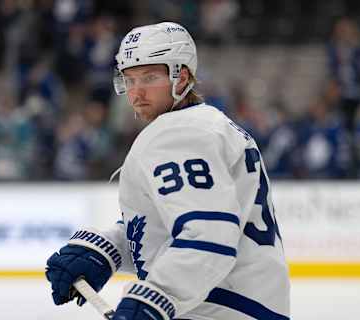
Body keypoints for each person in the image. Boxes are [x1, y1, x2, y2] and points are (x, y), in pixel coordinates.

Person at [45, 22, 290, 320]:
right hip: (242, 305)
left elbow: (208, 234)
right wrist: (107, 249)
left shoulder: (177, 133)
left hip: (214, 308)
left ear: (181, 76)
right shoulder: (207, 125)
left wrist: (155, 299)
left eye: (149, 77)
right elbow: (176, 222)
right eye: (130, 80)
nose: (137, 92)